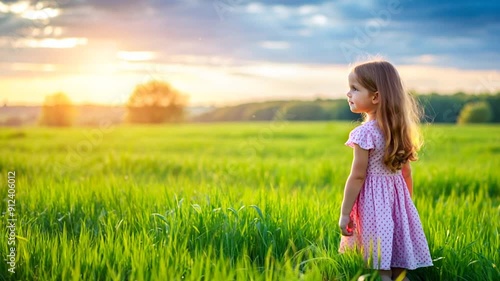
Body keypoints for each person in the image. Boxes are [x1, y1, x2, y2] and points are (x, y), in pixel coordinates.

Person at [338, 60, 433, 281]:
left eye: (354, 88)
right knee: (399, 269)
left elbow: (358, 175)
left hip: (373, 204)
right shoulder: (400, 131)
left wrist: (345, 213)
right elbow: (406, 173)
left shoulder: (365, 133)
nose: (348, 93)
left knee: (380, 268)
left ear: (375, 97)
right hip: (397, 202)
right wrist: (406, 205)